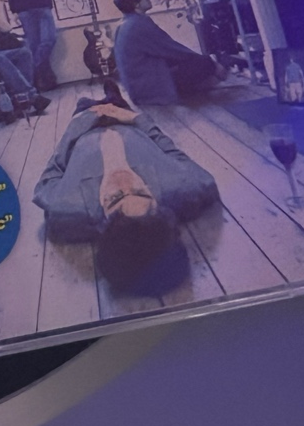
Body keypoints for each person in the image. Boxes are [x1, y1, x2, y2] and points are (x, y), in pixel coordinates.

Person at [33, 98, 219, 294]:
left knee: (83, 102)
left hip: (86, 126)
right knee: (116, 97)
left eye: (115, 197)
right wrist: (135, 118)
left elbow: (53, 168)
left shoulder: (63, 205)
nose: (124, 181)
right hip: (128, 121)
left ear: (102, 222)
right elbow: (175, 154)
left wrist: (82, 121)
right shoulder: (186, 186)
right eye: (141, 192)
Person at [112, 0, 222, 105]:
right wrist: (212, 63)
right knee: (204, 63)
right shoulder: (138, 24)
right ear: (136, 4)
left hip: (138, 88)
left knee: (193, 63)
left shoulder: (125, 24)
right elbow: (173, 50)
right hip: (149, 90)